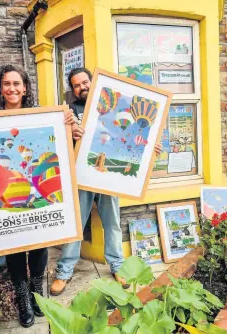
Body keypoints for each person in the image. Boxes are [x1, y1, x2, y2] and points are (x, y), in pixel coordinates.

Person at [0, 64, 75, 328]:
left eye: (17, 84)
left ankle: (37, 294)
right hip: (9, 196)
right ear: (0, 87)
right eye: (7, 84)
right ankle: (23, 298)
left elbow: (66, 148)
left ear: (25, 88)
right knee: (15, 248)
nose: (12, 88)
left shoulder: (43, 117)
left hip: (36, 195)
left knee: (39, 244)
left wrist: (68, 124)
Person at [50, 67, 162, 296]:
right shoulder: (69, 111)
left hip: (110, 175)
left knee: (112, 222)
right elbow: (58, 145)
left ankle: (117, 266)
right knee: (77, 224)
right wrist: (69, 132)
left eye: (85, 82)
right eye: (77, 85)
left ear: (92, 81)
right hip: (81, 176)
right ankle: (64, 271)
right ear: (73, 90)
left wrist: (149, 147)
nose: (82, 87)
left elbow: (129, 134)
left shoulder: (112, 103)